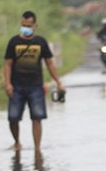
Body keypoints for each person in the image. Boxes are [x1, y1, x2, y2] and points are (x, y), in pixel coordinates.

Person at [4, 10, 64, 152]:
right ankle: (17, 142)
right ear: (21, 24)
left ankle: (37, 148)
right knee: (13, 117)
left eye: (29, 25)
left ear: (35, 25)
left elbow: (49, 63)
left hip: (35, 86)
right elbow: (7, 64)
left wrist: (58, 81)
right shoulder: (13, 42)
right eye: (24, 25)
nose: (26, 28)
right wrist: (7, 83)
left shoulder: (40, 42)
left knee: (37, 117)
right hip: (17, 86)